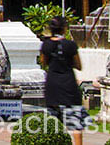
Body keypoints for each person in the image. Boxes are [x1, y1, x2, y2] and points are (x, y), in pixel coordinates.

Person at [39, 16, 86, 145]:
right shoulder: (70, 45)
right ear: (64, 28)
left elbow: (44, 62)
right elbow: (78, 65)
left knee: (54, 122)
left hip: (53, 84)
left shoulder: (46, 44)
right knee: (75, 123)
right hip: (68, 84)